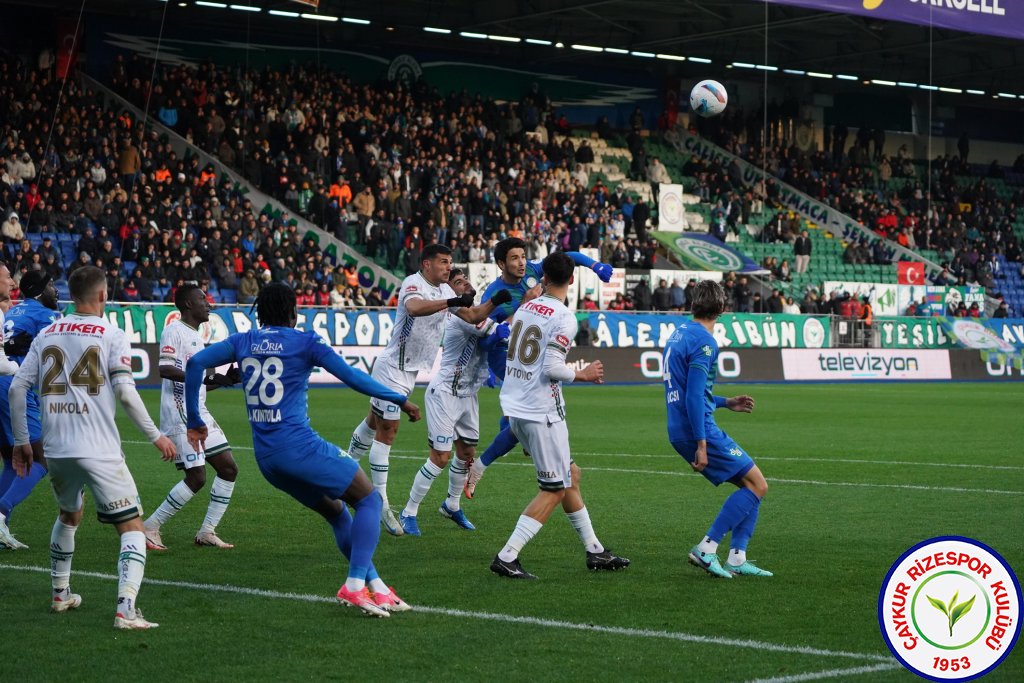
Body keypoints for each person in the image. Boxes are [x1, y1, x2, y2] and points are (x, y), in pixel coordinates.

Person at [184, 283, 422, 616]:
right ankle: (354, 586)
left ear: (261, 313)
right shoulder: (305, 341)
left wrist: (195, 420)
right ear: (293, 313)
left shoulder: (243, 341)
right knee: (369, 499)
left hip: (268, 461)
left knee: (338, 512)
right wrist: (399, 399)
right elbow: (352, 376)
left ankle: (378, 588)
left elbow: (194, 364)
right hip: (299, 447)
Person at [8, 266, 177, 628]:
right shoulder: (111, 334)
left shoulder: (47, 333)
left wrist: (22, 442)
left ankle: (60, 594)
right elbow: (127, 394)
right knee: (132, 526)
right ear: (102, 296)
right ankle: (126, 610)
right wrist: (156, 436)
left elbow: (16, 388)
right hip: (98, 448)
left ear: (72, 294)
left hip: (55, 449)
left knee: (70, 515)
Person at [347, 244, 509, 536]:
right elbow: (414, 308)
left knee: (373, 422)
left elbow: (473, 316)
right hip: (392, 368)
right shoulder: (413, 282)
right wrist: (452, 302)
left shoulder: (446, 293)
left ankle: (345, 468)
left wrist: (494, 300)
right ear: (426, 264)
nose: (448, 267)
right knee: (388, 431)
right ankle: (381, 504)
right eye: (443, 262)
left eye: (450, 262)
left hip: (410, 371)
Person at [490, 253, 629, 579]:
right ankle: (507, 556)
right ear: (572, 280)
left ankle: (595, 551)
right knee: (554, 487)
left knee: (570, 476)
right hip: (541, 412)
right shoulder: (565, 317)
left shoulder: (526, 307)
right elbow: (552, 367)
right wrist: (585, 374)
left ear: (544, 278)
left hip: (515, 406)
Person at [460, 237, 612, 496]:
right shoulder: (494, 296)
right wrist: (523, 305)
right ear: (500, 264)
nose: (522, 263)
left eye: (523, 256)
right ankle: (493, 456)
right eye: (514, 258)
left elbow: (564, 260)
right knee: (524, 420)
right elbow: (483, 338)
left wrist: (594, 265)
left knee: (518, 424)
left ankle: (487, 459)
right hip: (506, 357)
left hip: (532, 357)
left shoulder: (533, 271)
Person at [663, 280, 771, 579]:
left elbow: (688, 391)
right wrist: (701, 443)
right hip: (697, 429)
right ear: (722, 308)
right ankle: (707, 548)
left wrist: (725, 402)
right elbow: (694, 396)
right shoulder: (705, 342)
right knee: (759, 485)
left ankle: (737, 557)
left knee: (750, 488)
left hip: (678, 425)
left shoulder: (678, 334)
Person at [398, 269, 509, 536]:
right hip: (445, 393)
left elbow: (496, 340)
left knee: (467, 453)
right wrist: (513, 315)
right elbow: (493, 335)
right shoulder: (458, 317)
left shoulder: (479, 314)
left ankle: (452, 504)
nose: (466, 284)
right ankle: (408, 512)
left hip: (468, 394)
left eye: (467, 281)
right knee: (440, 457)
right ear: (450, 292)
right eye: (458, 282)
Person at [143, 285, 242, 551]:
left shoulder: (195, 336)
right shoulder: (174, 330)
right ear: (188, 304)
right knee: (196, 477)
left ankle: (207, 532)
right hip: (180, 413)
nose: (208, 303)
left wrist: (222, 380)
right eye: (202, 299)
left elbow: (197, 382)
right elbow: (164, 368)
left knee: (229, 469)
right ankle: (150, 528)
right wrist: (199, 376)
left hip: (199, 411)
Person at [0, 271, 61, 543]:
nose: (55, 290)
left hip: (5, 386)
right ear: (38, 290)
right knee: (40, 458)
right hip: (14, 387)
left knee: (13, 463)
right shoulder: (45, 315)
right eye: (50, 285)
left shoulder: (11, 312)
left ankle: (1, 527)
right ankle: (1, 513)